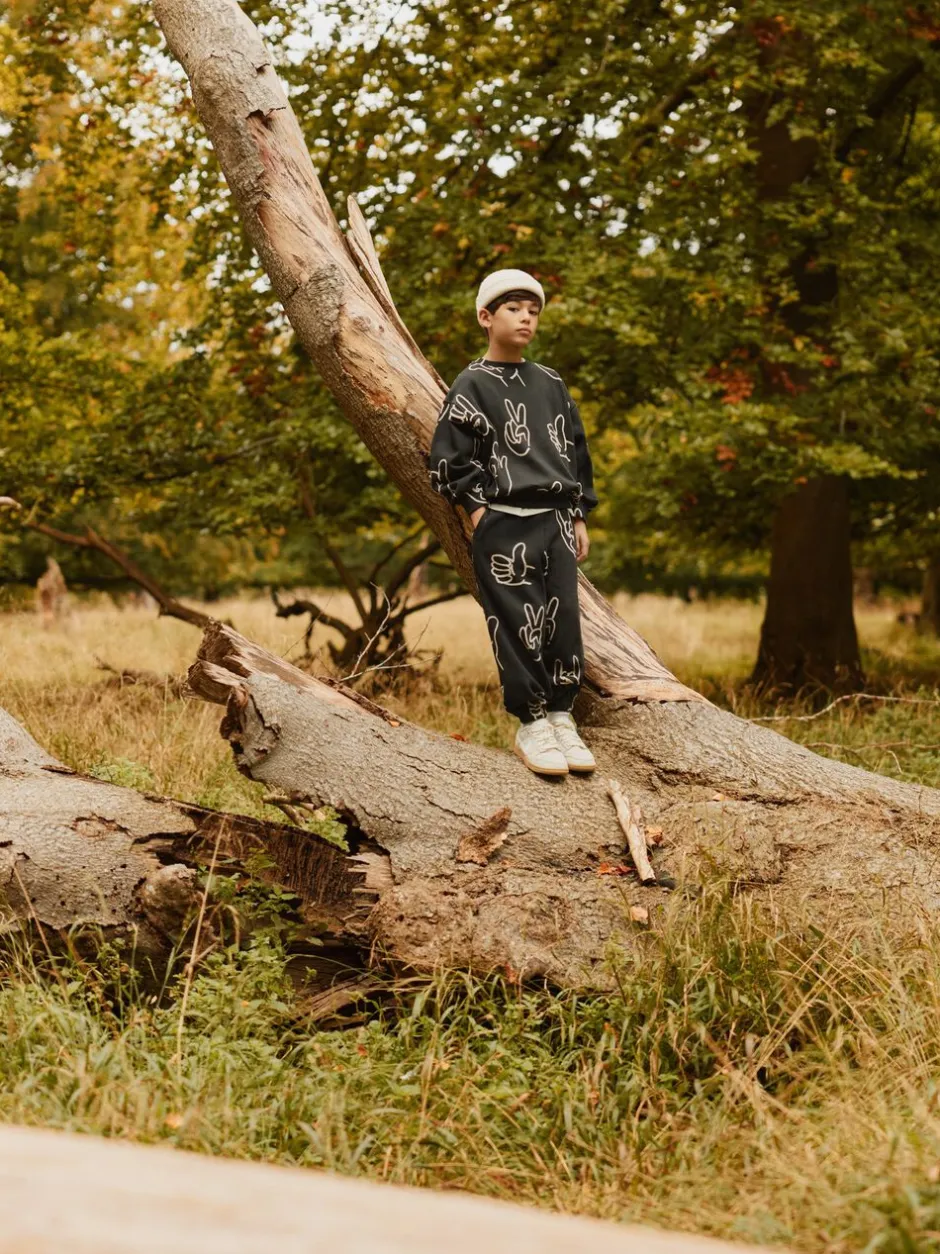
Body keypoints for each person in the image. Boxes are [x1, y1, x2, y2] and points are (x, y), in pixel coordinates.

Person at [428, 267, 599, 777]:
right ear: (486, 317)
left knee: (563, 621)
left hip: (555, 521)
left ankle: (562, 716)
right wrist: (480, 510)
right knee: (517, 623)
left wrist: (578, 513)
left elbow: (574, 449)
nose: (526, 318)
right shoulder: (471, 384)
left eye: (533, 311)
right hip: (504, 522)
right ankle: (532, 723)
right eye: (513, 309)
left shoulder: (550, 383)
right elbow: (449, 458)